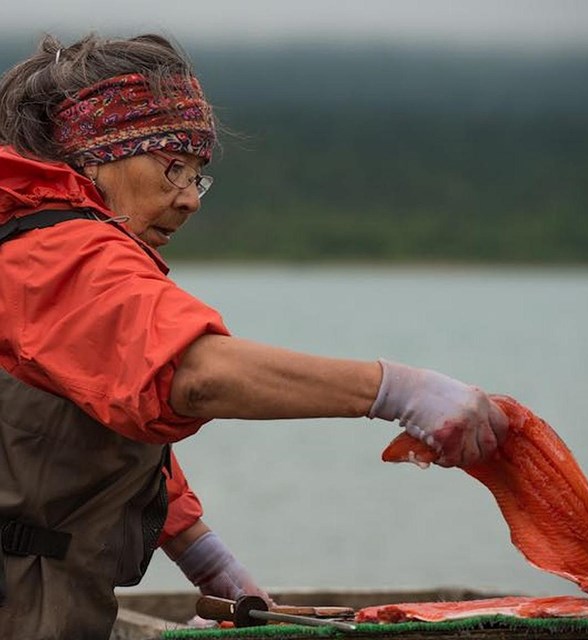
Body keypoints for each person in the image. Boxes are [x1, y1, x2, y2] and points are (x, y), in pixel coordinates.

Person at [0, 33, 507, 640]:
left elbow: (88, 412)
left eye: (197, 175)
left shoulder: (27, 237)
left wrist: (200, 552)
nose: (188, 199)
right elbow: (193, 376)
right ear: (92, 155)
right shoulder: (58, 253)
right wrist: (397, 389)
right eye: (171, 167)